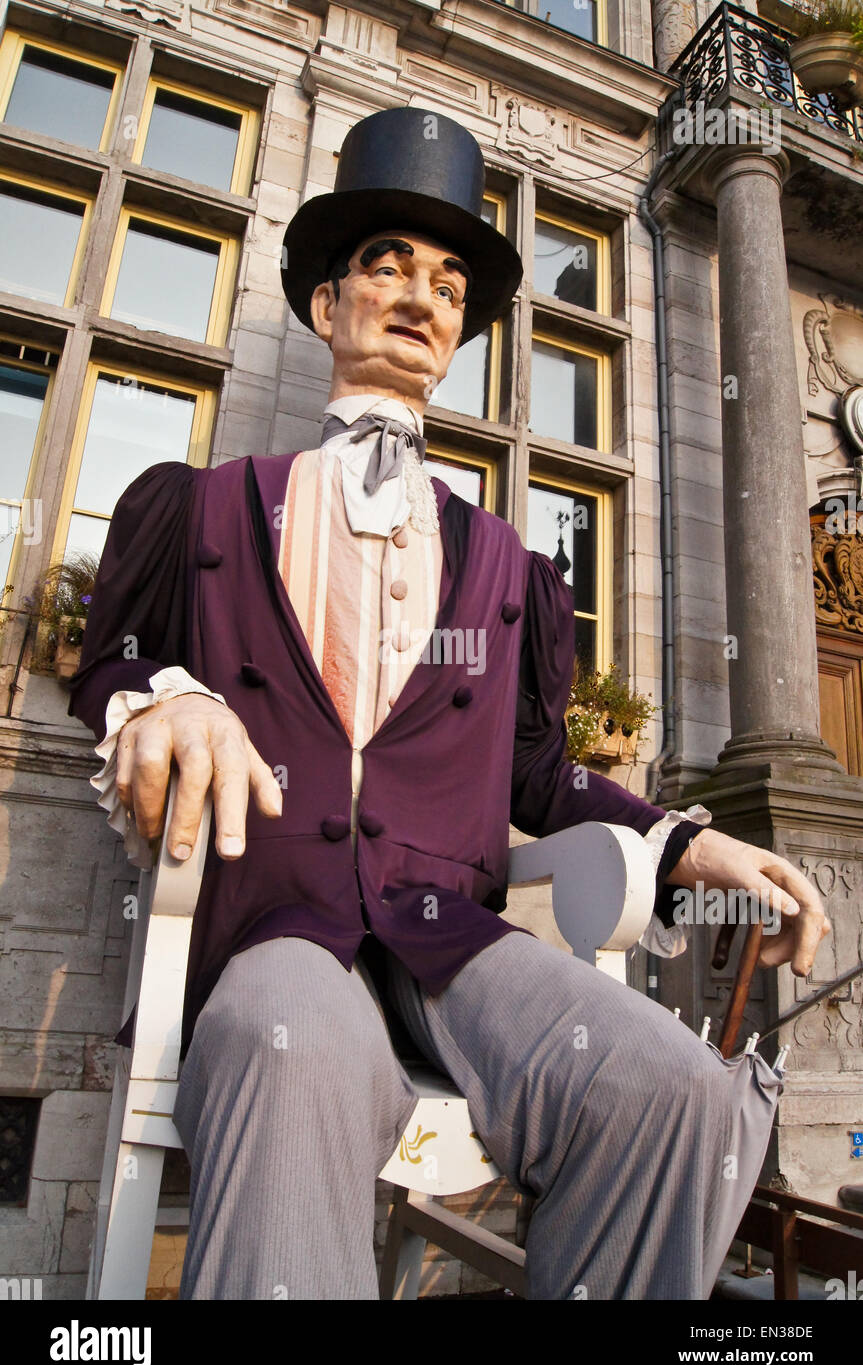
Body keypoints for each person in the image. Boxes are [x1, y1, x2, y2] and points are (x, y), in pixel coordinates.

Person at [69, 106, 829, 1300]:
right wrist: (173, 696)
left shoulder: (505, 569)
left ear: (460, 330)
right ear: (328, 308)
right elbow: (107, 661)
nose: (419, 292)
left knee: (673, 1091)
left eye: (446, 278)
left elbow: (535, 774)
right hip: (274, 928)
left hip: (446, 935)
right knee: (291, 1045)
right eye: (385, 264)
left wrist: (690, 843)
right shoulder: (204, 508)